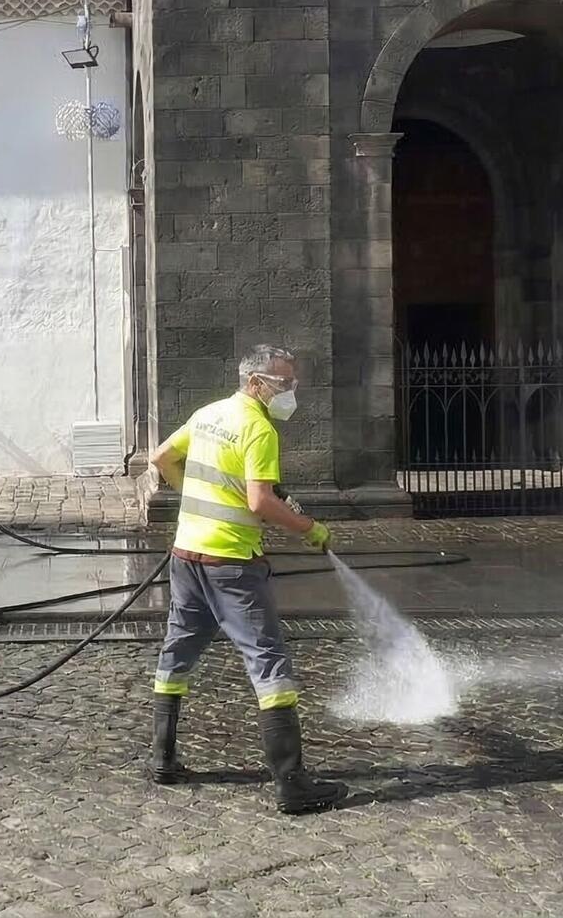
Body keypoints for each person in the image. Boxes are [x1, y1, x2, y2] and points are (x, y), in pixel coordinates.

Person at [145, 344, 347, 815]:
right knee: (269, 664)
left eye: (292, 381)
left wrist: (197, 498)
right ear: (255, 383)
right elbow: (260, 502)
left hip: (187, 554)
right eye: (283, 383)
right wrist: (309, 528)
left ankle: (163, 758)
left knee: (179, 649)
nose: (291, 390)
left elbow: (161, 458)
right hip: (232, 563)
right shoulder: (258, 427)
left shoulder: (209, 413)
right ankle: (291, 783)